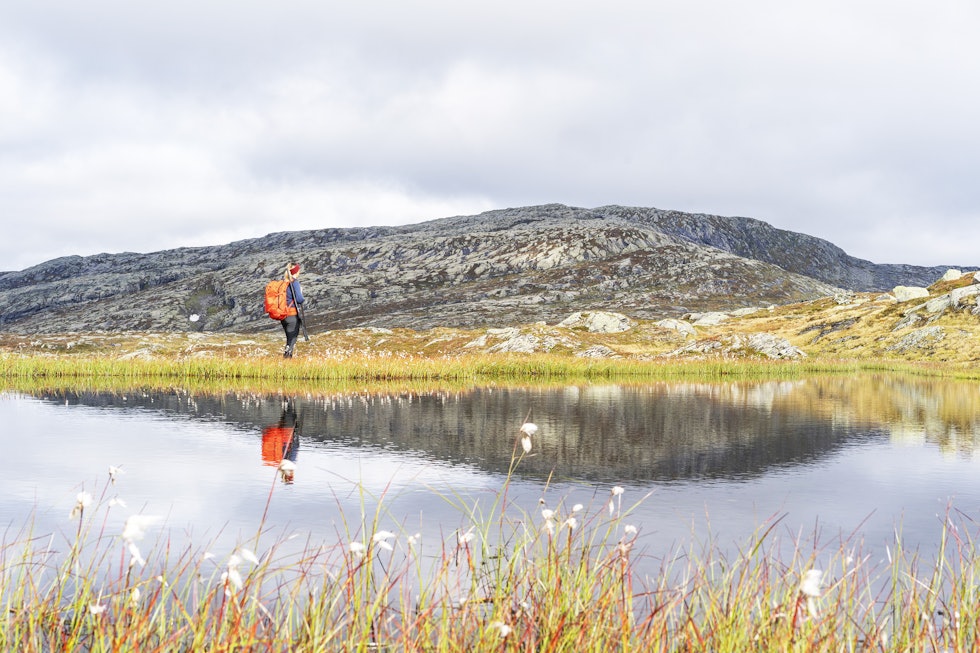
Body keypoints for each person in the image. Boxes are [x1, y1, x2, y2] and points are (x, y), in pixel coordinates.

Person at [280, 263, 305, 358]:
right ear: (296, 272)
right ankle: (287, 360)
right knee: (292, 339)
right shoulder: (294, 282)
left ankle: (287, 359)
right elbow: (299, 299)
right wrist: (301, 293)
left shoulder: (283, 283)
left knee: (289, 338)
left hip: (283, 316)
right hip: (292, 315)